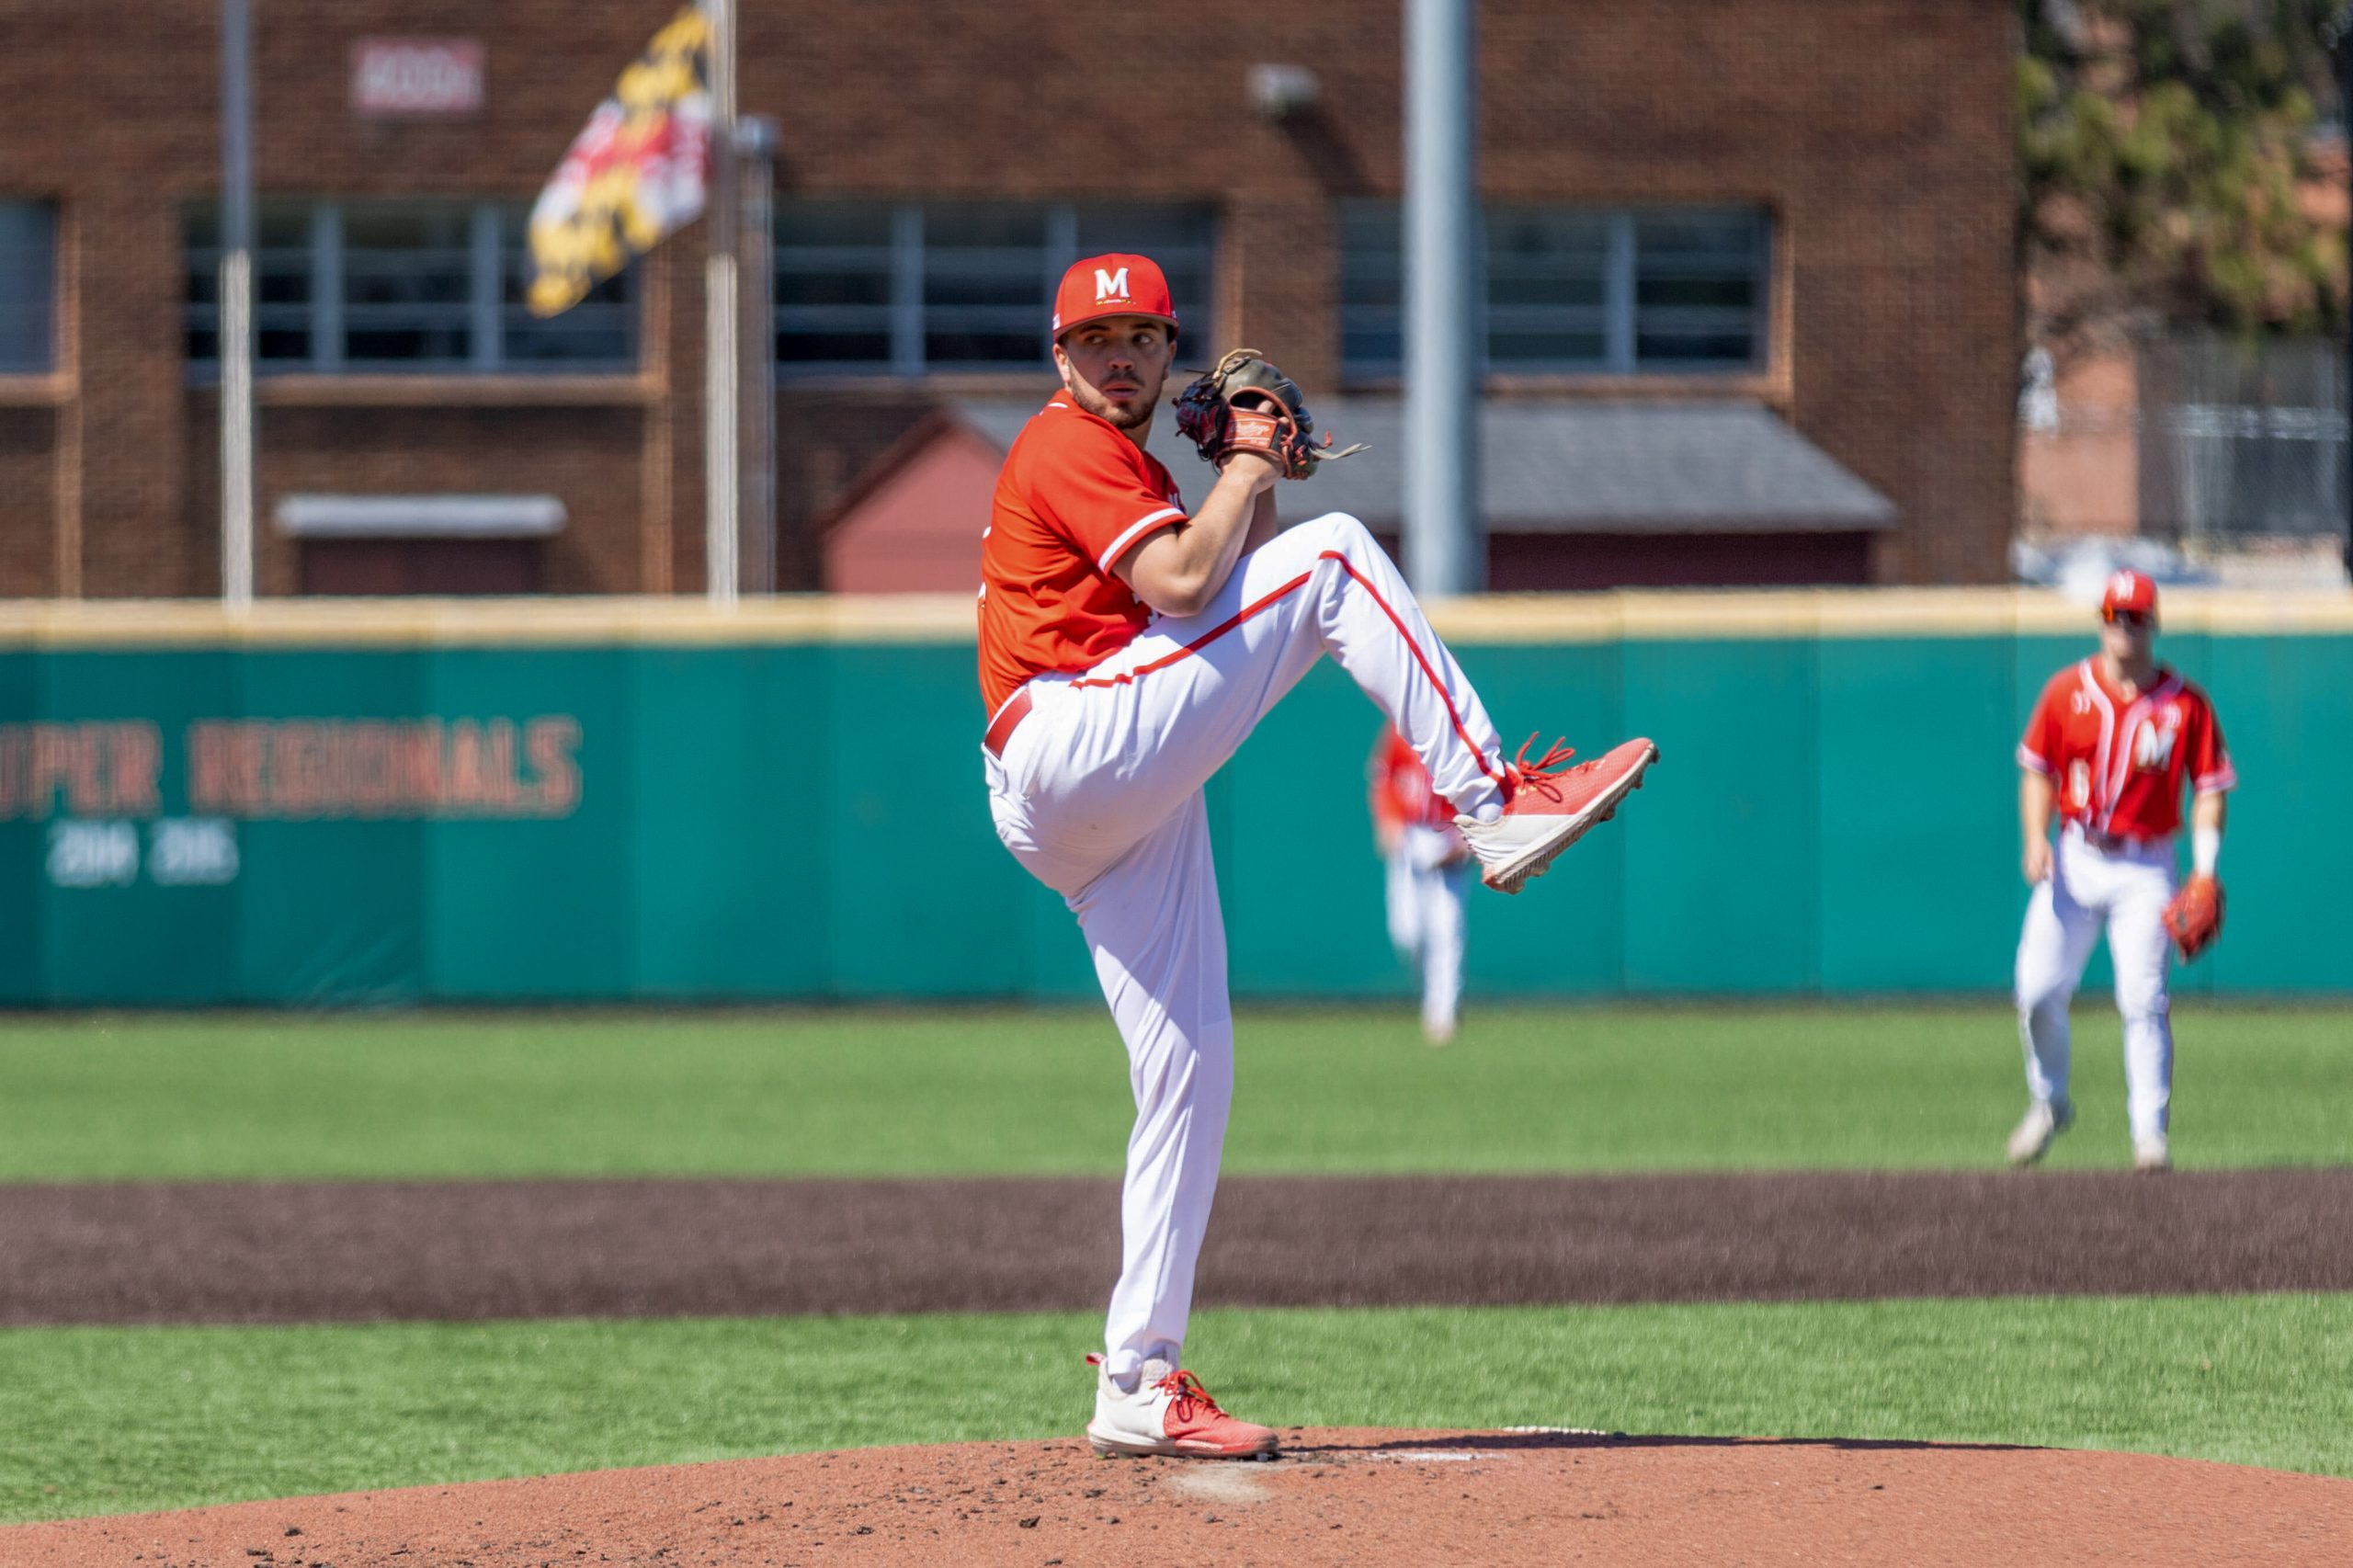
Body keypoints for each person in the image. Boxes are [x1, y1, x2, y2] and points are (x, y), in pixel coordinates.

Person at [978, 253, 1657, 1459]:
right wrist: (1243, 464)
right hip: (1067, 737)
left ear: (1166, 350)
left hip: (1107, 786)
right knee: (1342, 552)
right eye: (1096, 338)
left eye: (1141, 335)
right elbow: (1196, 574)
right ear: (1059, 354)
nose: (1119, 355)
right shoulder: (1064, 446)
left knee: (1194, 1068)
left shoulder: (1134, 465)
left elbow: (1231, 598)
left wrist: (1257, 476)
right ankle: (1492, 797)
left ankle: (1135, 1379)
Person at [2006, 570, 2234, 1173]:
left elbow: (2209, 787)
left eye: (2134, 616)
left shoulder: (2185, 704)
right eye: (2114, 615)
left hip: (2146, 864)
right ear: (2101, 621)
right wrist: (2036, 837)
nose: (2123, 627)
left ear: (2152, 623)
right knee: (2035, 992)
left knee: (2143, 999)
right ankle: (2050, 1102)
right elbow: (2037, 768)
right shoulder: (2066, 691)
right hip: (2076, 856)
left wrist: (2205, 871)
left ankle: (2148, 1137)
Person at [1370, 724, 1471, 1044]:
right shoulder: (1403, 727)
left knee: (1447, 930)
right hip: (1410, 835)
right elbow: (1383, 776)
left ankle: (1442, 1014)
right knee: (1407, 932)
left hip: (1448, 834)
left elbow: (1483, 792)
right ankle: (1432, 991)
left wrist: (1468, 841)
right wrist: (1386, 819)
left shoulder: (1464, 735)